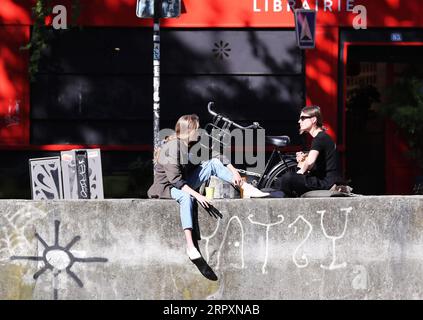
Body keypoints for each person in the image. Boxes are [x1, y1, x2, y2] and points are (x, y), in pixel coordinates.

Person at [147, 114, 268, 261]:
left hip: (183, 183)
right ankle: (190, 246)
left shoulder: (191, 143)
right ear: (189, 130)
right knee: (186, 197)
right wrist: (198, 195)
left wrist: (234, 171)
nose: (199, 132)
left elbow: (215, 154)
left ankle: (245, 188)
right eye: (196, 129)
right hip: (167, 188)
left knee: (214, 164)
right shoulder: (172, 147)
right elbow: (176, 181)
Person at [278, 105, 341, 197]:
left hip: (326, 183)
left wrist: (301, 171)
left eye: (303, 118)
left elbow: (310, 162)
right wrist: (304, 158)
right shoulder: (322, 137)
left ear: (313, 120)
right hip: (325, 180)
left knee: (288, 178)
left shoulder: (319, 138)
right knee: (282, 180)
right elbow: (319, 160)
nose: (299, 121)